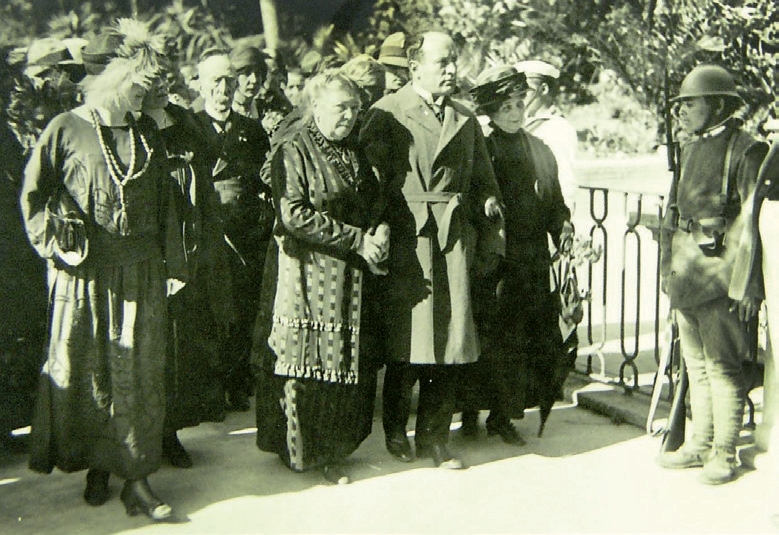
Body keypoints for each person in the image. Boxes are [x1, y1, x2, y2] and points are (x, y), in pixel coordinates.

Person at [20, 19, 186, 521]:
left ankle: (137, 480)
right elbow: (33, 197)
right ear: (115, 78)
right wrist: (57, 246)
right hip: (86, 277)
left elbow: (168, 202)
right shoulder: (65, 128)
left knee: (140, 375)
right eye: (140, 82)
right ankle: (100, 465)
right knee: (94, 375)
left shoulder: (147, 130)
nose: (148, 92)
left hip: (141, 274)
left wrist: (174, 263)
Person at [360, 31, 504, 469]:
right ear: (415, 66)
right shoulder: (387, 112)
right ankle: (395, 431)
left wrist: (488, 207)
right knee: (407, 343)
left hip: (454, 239)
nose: (451, 69)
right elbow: (369, 184)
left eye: (454, 61)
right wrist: (377, 233)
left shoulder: (465, 118)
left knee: (451, 343)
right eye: (442, 62)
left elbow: (483, 181)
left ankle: (435, 438)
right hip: (409, 240)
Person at [254, 70, 387, 484]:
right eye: (340, 108)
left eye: (355, 108)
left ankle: (334, 450)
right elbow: (293, 214)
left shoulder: (354, 150)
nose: (349, 116)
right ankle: (304, 451)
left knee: (343, 359)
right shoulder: (293, 149)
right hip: (306, 270)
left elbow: (373, 200)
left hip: (349, 271)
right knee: (307, 361)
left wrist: (378, 231)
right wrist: (357, 239)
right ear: (316, 107)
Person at [656, 64, 768, 485]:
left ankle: (724, 451)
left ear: (718, 106)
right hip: (687, 272)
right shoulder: (689, 148)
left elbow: (753, 222)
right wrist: (667, 269)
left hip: (721, 276)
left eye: (691, 103)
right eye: (680, 104)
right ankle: (700, 443)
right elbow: (672, 215)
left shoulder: (746, 150)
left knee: (723, 367)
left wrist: (747, 285)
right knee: (696, 365)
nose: (682, 112)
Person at [460, 65, 572, 444]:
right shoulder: (480, 149)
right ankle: (470, 411)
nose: (514, 112)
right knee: (487, 335)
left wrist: (564, 230)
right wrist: (485, 207)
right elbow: (466, 198)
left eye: (519, 104)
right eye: (505, 106)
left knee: (521, 339)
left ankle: (502, 415)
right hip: (491, 260)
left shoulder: (539, 150)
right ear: (491, 110)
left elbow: (555, 204)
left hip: (530, 259)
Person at [142, 68, 236, 467]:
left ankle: (170, 433)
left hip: (192, 243)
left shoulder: (184, 122)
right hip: (151, 245)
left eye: (164, 78)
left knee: (182, 345)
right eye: (150, 80)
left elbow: (207, 170)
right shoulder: (132, 125)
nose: (160, 86)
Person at [192, 49, 272, 412]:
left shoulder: (251, 130)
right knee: (209, 311)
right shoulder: (190, 128)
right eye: (215, 81)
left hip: (244, 232)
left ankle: (239, 382)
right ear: (200, 85)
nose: (223, 89)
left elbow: (262, 178)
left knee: (243, 306)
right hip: (207, 232)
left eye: (229, 80)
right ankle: (211, 388)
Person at [515, 60, 578, 214]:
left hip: (542, 213)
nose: (520, 97)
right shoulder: (520, 123)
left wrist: (564, 220)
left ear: (543, 89)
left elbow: (565, 179)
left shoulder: (557, 127)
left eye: (525, 90)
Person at [229, 44, 268, 122]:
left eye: (258, 73)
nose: (254, 80)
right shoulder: (223, 111)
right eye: (247, 73)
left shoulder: (264, 110)